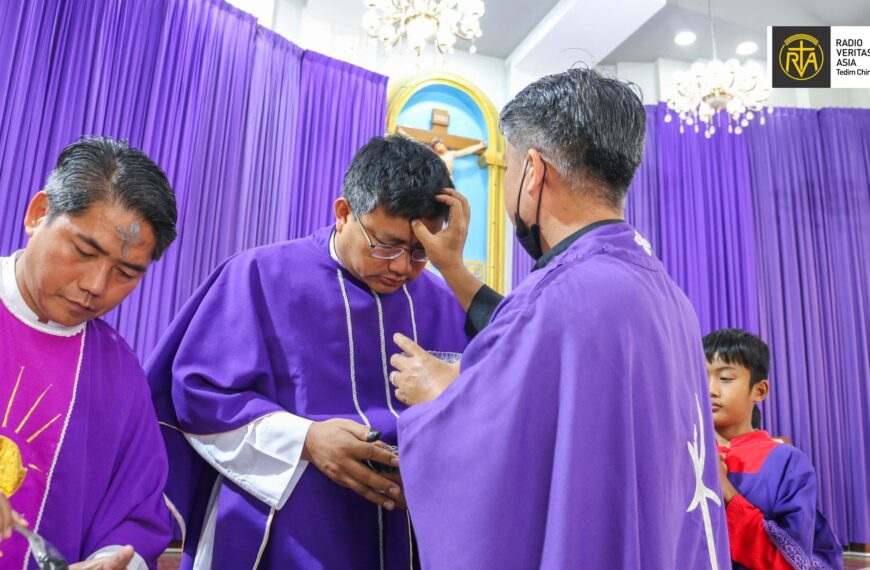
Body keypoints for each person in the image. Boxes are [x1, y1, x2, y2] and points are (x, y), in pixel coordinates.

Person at [389, 68, 731, 568]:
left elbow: (493, 469)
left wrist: (438, 400)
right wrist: (453, 270)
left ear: (533, 171)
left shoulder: (562, 295)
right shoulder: (663, 291)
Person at [146, 135, 468, 569]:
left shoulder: (443, 302)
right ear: (343, 213)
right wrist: (307, 440)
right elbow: (199, 395)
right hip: (285, 524)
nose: (400, 267)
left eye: (419, 253)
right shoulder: (259, 275)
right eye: (386, 244)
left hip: (403, 529)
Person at [0, 137, 177, 569]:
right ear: (39, 214)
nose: (97, 286)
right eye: (84, 251)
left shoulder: (118, 376)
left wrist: (109, 562)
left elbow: (137, 516)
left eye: (126, 272)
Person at [704, 329, 842, 569]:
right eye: (701, 377)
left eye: (725, 378)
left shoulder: (786, 462)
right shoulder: (684, 455)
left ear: (759, 391)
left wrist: (728, 493)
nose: (710, 389)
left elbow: (792, 561)